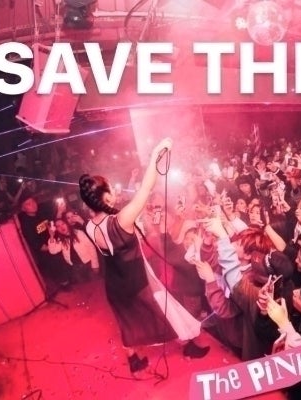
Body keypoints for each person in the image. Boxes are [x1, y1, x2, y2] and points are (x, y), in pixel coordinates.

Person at [78, 138, 209, 374]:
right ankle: (188, 346)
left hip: (115, 284)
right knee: (168, 311)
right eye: (110, 190)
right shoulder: (122, 220)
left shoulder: (89, 226)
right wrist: (157, 152)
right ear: (105, 197)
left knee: (127, 321)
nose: (114, 192)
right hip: (138, 280)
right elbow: (146, 188)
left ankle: (134, 361)